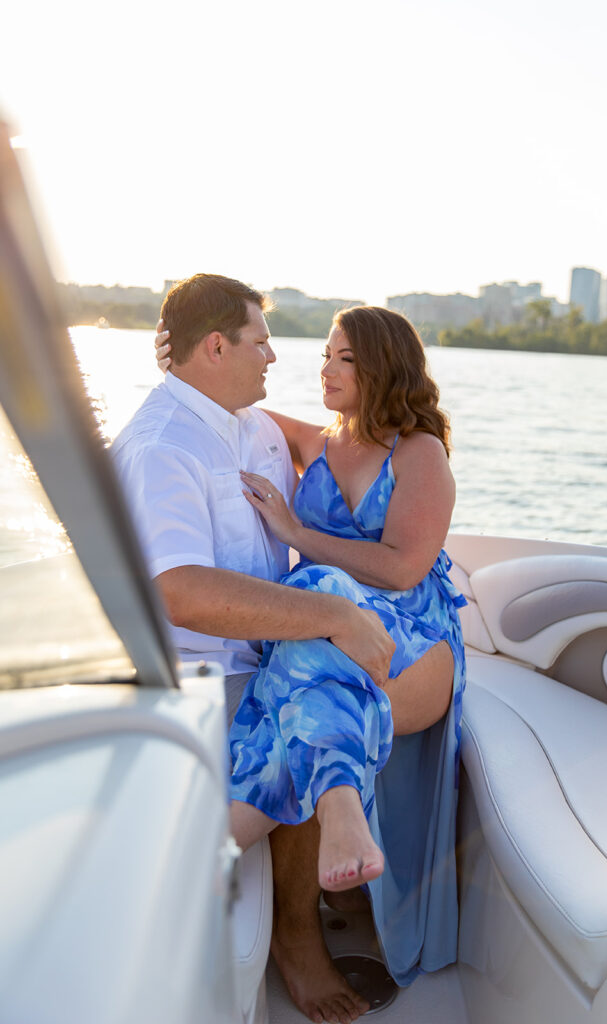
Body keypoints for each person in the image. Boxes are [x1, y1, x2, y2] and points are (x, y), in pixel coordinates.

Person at [155, 299, 467, 1019]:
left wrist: (297, 531)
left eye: (344, 358)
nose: (323, 367)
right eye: (324, 353)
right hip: (332, 651)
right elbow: (219, 398)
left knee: (313, 589)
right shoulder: (311, 439)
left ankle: (229, 834)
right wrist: (174, 359)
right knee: (308, 636)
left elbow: (398, 569)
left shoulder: (418, 453)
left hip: (412, 643)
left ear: (383, 368)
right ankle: (335, 807)